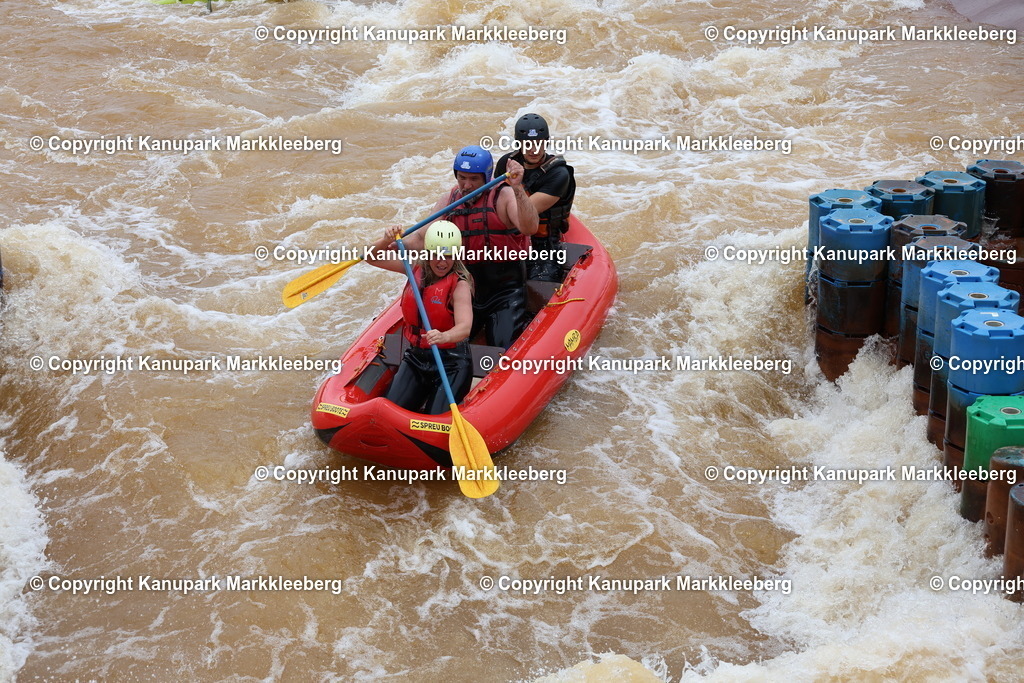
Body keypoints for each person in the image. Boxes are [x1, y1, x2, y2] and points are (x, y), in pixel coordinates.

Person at [402, 145, 538, 350]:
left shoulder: (504, 195)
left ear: (486, 177)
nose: (467, 185)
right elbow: (420, 240)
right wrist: (388, 243)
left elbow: (530, 228)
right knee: (443, 343)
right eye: (462, 178)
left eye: (474, 179)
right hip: (464, 290)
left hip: (504, 290)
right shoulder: (449, 200)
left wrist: (518, 188)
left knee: (502, 346)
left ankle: (522, 321)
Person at [365, 221, 474, 415]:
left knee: (435, 417)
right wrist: (385, 240)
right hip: (416, 358)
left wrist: (444, 337)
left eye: (448, 255)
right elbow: (370, 257)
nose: (442, 262)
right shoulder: (413, 266)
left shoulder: (460, 284)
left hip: (451, 363)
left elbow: (465, 327)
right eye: (437, 255)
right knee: (388, 413)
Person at [494, 113, 576, 281]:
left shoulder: (558, 174)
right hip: (510, 237)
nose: (534, 150)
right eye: (528, 144)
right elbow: (493, 199)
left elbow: (522, 213)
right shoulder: (506, 163)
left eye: (539, 143)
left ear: (546, 142)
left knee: (538, 284)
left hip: (543, 245)